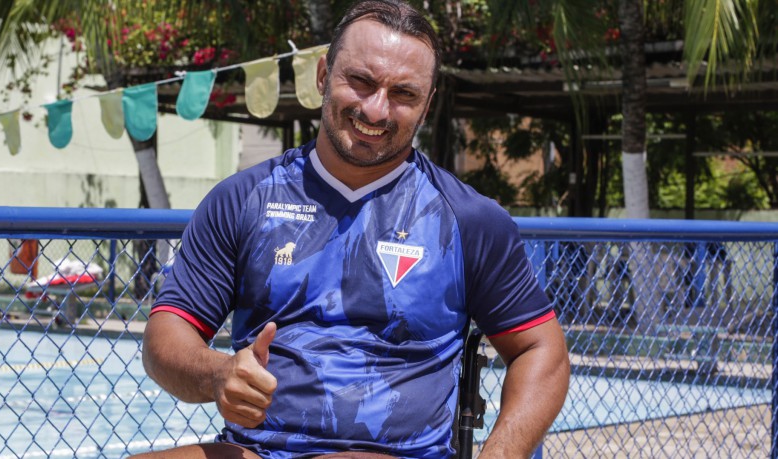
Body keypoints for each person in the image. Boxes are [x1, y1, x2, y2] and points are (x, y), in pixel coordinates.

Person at [137, 0, 570, 458]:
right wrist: (219, 374)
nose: (377, 110)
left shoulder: (469, 219)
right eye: (361, 82)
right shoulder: (243, 199)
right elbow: (166, 337)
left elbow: (541, 349)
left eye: (404, 94)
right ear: (323, 74)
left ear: (428, 104)